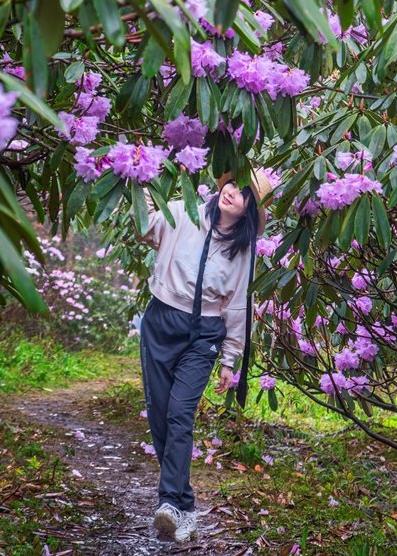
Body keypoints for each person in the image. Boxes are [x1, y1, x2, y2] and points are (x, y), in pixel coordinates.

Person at [136, 169, 271, 543]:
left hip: (206, 332)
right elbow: (146, 225)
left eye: (243, 193)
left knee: (180, 412)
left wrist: (230, 359)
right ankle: (187, 508)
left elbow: (240, 304)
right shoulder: (184, 212)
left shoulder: (243, 251)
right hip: (162, 319)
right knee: (161, 415)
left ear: (250, 209)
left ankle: (168, 503)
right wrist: (140, 178)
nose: (231, 193)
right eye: (231, 184)